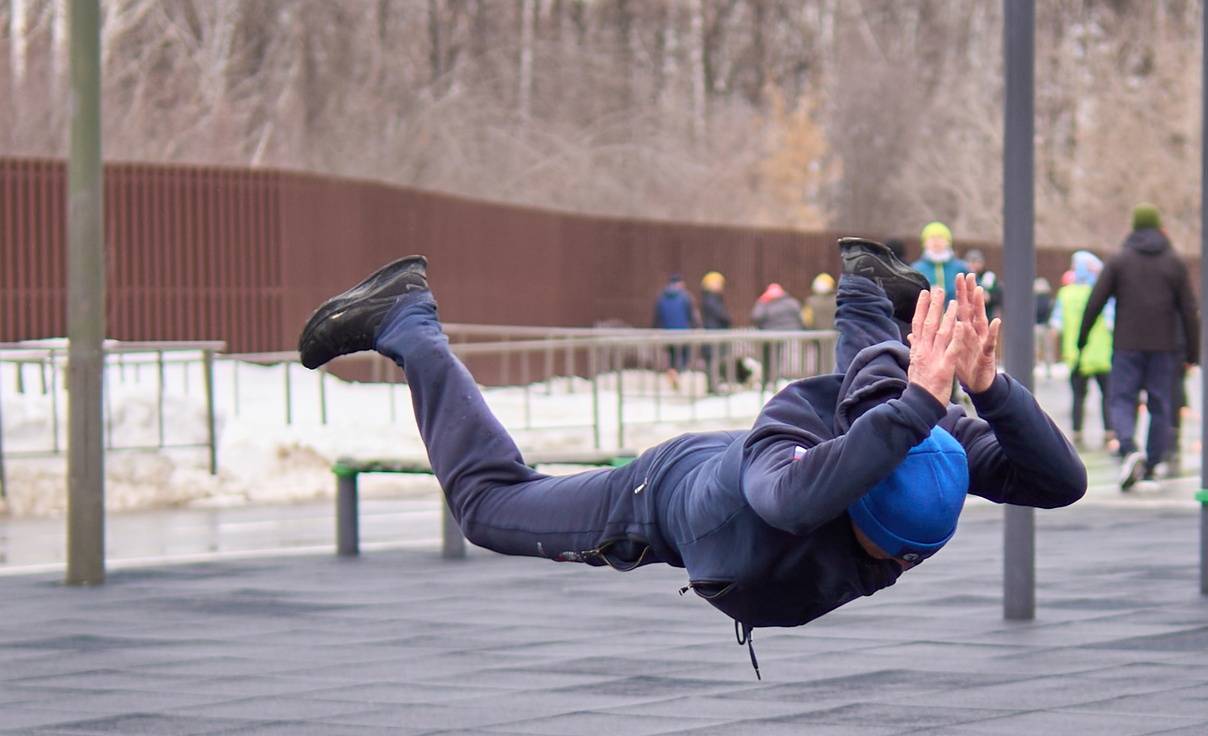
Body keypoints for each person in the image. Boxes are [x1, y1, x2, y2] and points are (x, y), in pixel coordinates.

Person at [296, 244, 1085, 669]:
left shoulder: (930, 459)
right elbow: (796, 501)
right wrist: (918, 404)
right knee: (488, 508)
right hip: (670, 494)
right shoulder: (786, 467)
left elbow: (1062, 482)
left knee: (873, 402)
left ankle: (866, 290)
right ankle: (407, 321)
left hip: (863, 435)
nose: (899, 568)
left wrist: (991, 390)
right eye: (893, 554)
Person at [1078, 203, 1200, 490]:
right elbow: (1189, 310)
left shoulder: (1120, 260)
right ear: (1159, 227)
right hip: (1164, 347)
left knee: (1121, 398)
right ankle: (1152, 465)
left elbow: (1096, 300)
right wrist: (1193, 352)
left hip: (1127, 345)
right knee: (1160, 404)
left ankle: (1129, 448)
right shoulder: (1174, 262)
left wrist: (1082, 337)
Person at [1052, 250, 1113, 450]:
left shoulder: (1065, 294)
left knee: (1078, 397)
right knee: (1107, 396)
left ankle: (1077, 433)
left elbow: (1056, 325)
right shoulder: (1101, 294)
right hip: (1101, 355)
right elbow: (1112, 322)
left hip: (1076, 354)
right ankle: (1109, 432)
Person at [653, 273, 699, 384]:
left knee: (672, 355)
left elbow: (657, 316)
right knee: (684, 354)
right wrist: (695, 326)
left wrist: (656, 329)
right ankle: (680, 374)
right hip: (683, 331)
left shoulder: (662, 297)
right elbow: (690, 315)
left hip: (668, 332)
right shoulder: (685, 297)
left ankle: (673, 373)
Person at [913, 222, 970, 300]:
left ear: (948, 242)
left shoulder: (961, 266)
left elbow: (975, 287)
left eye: (940, 237)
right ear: (924, 243)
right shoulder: (917, 268)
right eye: (932, 237)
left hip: (956, 306)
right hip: (927, 307)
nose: (936, 241)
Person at [964, 248, 1002, 312]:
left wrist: (989, 296)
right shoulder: (964, 276)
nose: (972, 265)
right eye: (969, 262)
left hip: (986, 312)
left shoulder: (988, 275)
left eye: (974, 262)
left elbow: (990, 295)